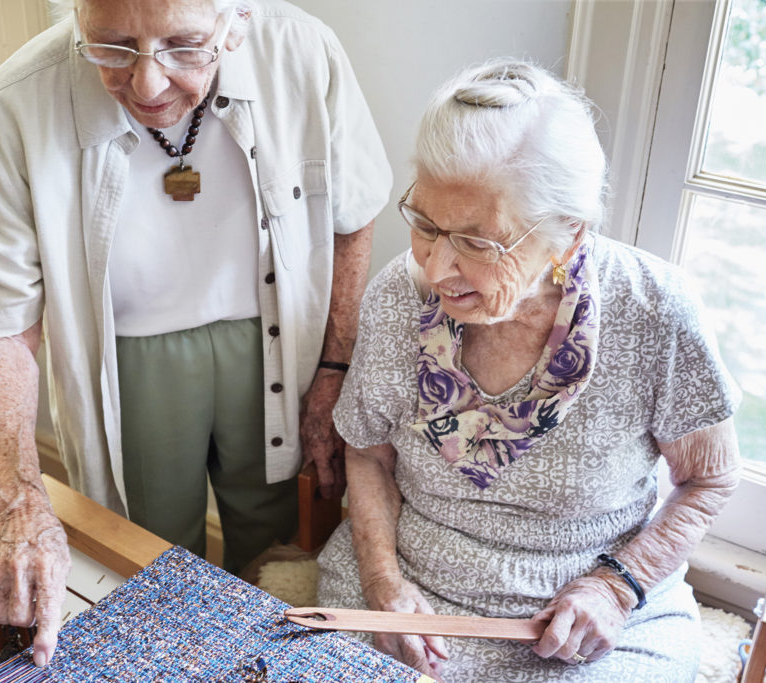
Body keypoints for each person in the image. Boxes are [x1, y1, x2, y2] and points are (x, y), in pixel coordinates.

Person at [0, 0, 390, 666]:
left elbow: (353, 213)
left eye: (184, 46)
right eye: (112, 47)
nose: (149, 84)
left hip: (275, 346)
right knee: (146, 566)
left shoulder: (305, 51)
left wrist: (335, 366)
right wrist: (20, 498)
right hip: (129, 364)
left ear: (238, 19)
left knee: (274, 553)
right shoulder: (8, 109)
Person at [316, 58, 741, 682]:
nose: (436, 270)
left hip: (586, 624)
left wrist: (617, 588)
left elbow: (710, 481)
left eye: (478, 244)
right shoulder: (397, 296)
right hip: (409, 592)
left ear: (569, 235)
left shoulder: (654, 311)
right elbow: (369, 453)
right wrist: (386, 589)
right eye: (427, 226)